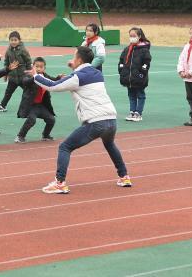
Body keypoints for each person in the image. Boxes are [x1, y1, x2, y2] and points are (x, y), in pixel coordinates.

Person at [32, 46, 132, 194]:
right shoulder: (97, 73)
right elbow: (80, 78)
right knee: (110, 144)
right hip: (111, 119)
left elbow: (52, 86)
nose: (72, 59)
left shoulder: (77, 77)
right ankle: (124, 177)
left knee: (65, 147)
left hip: (96, 121)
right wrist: (74, 69)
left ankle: (60, 183)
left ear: (79, 60)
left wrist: (35, 75)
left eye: (74, 57)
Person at [15, 57, 59, 143]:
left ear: (44, 68)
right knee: (32, 120)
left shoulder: (44, 76)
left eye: (41, 67)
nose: (38, 69)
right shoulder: (29, 75)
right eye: (37, 66)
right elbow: (25, 82)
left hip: (40, 105)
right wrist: (34, 78)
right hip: (31, 105)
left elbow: (52, 80)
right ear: (33, 67)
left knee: (51, 119)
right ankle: (20, 136)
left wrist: (58, 77)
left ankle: (45, 135)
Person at [118, 27, 152, 122]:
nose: (132, 38)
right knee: (131, 95)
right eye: (130, 36)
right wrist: (121, 71)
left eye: (134, 36)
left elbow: (147, 62)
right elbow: (121, 61)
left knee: (140, 94)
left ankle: (138, 113)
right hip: (128, 78)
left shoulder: (144, 50)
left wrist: (142, 73)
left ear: (139, 36)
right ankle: (132, 111)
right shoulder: (127, 49)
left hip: (139, 77)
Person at [0, 31, 31, 112]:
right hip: (13, 77)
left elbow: (28, 62)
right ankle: (2, 106)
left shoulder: (23, 50)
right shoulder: (8, 51)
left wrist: (29, 73)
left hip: (22, 76)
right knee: (8, 92)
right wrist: (5, 74)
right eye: (11, 40)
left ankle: (36, 105)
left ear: (19, 40)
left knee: (28, 91)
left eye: (15, 40)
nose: (13, 42)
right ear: (9, 40)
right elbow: (6, 62)